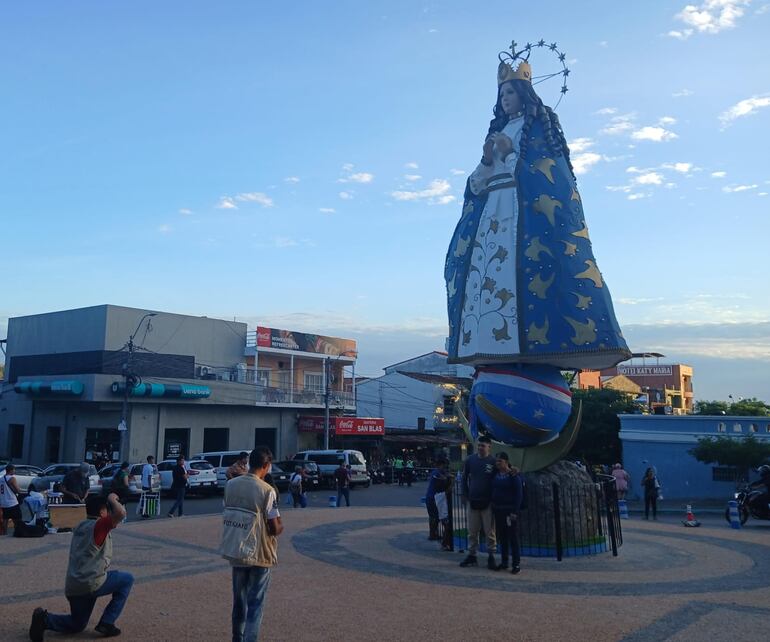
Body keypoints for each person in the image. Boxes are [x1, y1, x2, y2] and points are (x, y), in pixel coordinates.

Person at [29, 493, 133, 640]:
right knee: (127, 579)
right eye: (107, 510)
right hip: (91, 583)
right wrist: (111, 498)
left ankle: (44, 619)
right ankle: (107, 622)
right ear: (101, 512)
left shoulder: (80, 526)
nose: (110, 514)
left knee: (77, 624)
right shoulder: (99, 526)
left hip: (74, 586)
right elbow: (120, 513)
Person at [221, 446, 283, 642]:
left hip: (237, 549)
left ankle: (236, 638)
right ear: (266, 465)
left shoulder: (231, 485)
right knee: (255, 604)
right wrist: (280, 526)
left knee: (239, 602)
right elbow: (274, 527)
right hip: (259, 552)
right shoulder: (267, 490)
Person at [460, 436, 497, 569]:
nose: (480, 448)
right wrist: (464, 494)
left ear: (489, 447)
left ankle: (491, 556)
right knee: (472, 531)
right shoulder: (470, 460)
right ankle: (472, 555)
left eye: (483, 446)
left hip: (488, 502)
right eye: (479, 445)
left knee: (490, 531)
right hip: (473, 501)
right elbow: (464, 478)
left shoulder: (493, 462)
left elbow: (500, 477)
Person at [491, 452, 523, 574]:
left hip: (509, 511)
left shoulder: (513, 476)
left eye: (500, 461)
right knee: (502, 537)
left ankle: (516, 564)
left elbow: (519, 494)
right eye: (497, 461)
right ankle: (504, 562)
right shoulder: (495, 474)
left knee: (513, 537)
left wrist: (515, 511)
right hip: (498, 510)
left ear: (506, 462)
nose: (498, 463)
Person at [425, 458, 449, 542]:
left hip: (432, 497)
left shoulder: (436, 472)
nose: (445, 468)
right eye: (444, 466)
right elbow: (445, 480)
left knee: (434, 516)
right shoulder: (437, 473)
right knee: (434, 517)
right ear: (440, 465)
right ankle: (432, 534)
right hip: (433, 498)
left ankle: (433, 534)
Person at [0, 463, 22, 535]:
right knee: (17, 518)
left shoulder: (1, 479)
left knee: (5, 519)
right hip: (12, 502)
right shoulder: (12, 478)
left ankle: (4, 533)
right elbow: (18, 490)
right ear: (11, 470)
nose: (14, 471)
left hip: (3, 503)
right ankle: (17, 532)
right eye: (14, 470)